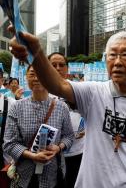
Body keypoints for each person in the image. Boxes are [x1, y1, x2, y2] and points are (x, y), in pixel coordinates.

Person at [9, 30, 126, 188]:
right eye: (112, 55)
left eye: (125, 55)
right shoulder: (92, 93)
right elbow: (58, 85)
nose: (117, 62)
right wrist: (36, 52)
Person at [3, 65, 74, 188]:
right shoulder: (16, 107)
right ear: (26, 78)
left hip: (53, 175)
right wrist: (32, 156)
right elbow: (9, 143)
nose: (36, 78)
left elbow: (69, 136)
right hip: (24, 175)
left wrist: (58, 148)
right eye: (32, 74)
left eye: (41, 74)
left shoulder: (62, 107)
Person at [48, 52, 85, 188]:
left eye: (61, 65)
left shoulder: (79, 90)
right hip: (51, 154)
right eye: (53, 65)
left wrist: (86, 128)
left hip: (78, 152)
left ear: (67, 68)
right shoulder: (42, 90)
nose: (58, 68)